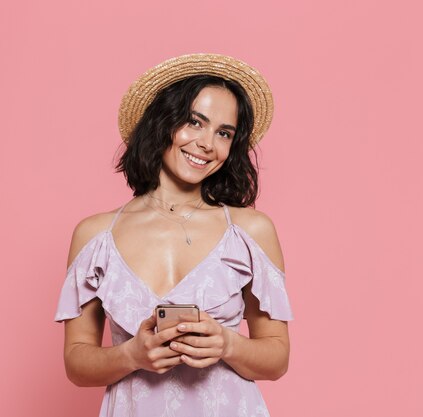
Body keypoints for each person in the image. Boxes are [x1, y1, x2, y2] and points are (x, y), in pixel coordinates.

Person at [54, 54, 293, 416]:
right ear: (162, 122)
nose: (207, 143)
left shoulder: (249, 231)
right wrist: (131, 354)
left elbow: (276, 358)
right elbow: (76, 362)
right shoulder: (96, 235)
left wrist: (227, 344)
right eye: (195, 122)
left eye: (224, 133)